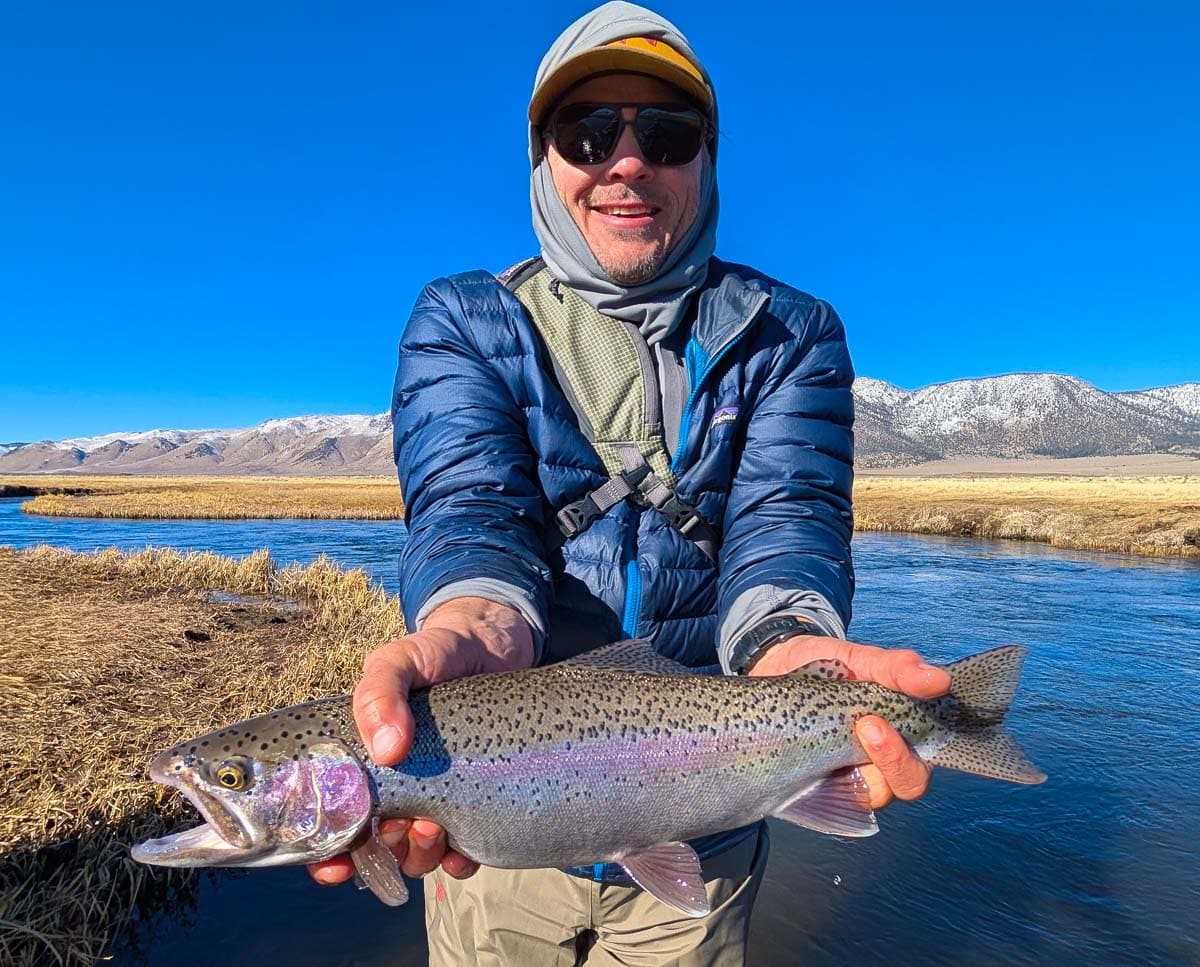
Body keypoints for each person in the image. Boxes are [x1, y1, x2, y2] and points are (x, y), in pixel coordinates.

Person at [311, 3, 951, 962]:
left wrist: (791, 648)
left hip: (715, 816)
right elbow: (469, 510)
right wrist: (467, 625)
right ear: (543, 157)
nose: (627, 161)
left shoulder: (791, 334)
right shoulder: (464, 320)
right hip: (499, 849)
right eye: (587, 132)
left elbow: (789, 522)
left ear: (706, 156)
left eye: (666, 132)